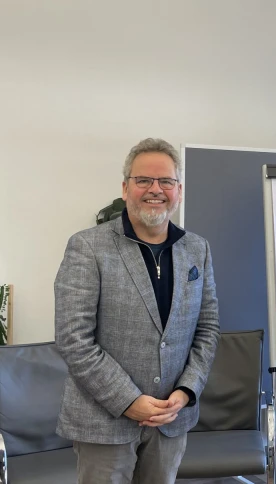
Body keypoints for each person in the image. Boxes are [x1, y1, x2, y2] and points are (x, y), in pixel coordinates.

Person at [54, 138, 220, 484]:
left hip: (171, 419)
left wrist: (186, 391)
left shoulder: (196, 249)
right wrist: (128, 400)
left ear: (179, 190)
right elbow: (74, 340)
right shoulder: (87, 247)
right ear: (126, 187)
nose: (155, 190)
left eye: (166, 182)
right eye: (143, 180)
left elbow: (207, 328)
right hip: (104, 421)